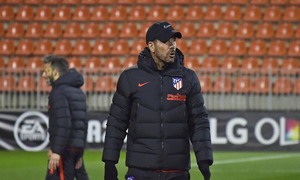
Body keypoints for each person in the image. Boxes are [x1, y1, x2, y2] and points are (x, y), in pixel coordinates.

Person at [102, 22, 213, 180]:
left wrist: (204, 158)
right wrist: (109, 161)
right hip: (140, 170)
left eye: (174, 41)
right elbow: (116, 122)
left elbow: (199, 121)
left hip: (177, 171)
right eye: (166, 42)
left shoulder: (188, 77)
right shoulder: (130, 77)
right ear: (151, 46)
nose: (172, 46)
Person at [42, 55, 89, 180]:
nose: (43, 75)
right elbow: (83, 123)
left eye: (46, 71)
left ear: (55, 72)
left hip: (64, 150)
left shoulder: (58, 92)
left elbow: (63, 123)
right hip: (75, 148)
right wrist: (80, 151)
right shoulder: (78, 91)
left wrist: (56, 150)